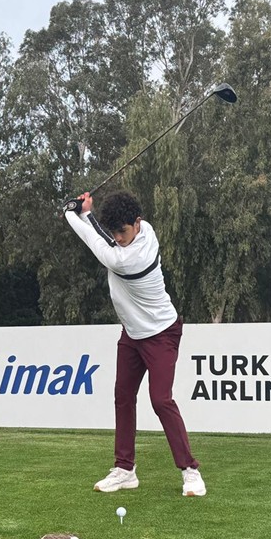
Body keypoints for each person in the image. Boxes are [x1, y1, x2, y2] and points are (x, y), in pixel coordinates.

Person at [63, 190, 205, 497]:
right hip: (132, 334)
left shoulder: (129, 259)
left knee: (161, 400)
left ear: (137, 223)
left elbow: (95, 241)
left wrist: (70, 213)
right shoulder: (140, 231)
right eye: (115, 232)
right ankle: (125, 470)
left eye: (123, 231)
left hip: (162, 333)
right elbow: (104, 235)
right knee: (123, 396)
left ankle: (190, 471)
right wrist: (86, 212)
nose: (119, 238)